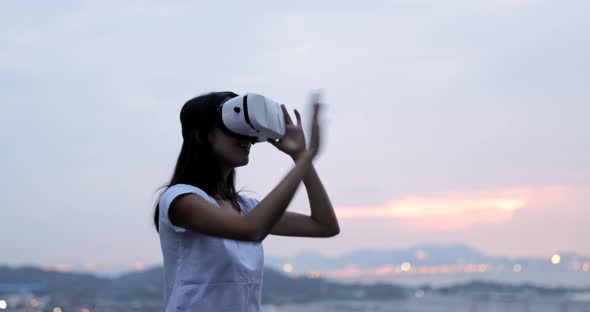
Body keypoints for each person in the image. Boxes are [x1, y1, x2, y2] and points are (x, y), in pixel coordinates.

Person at [153, 91, 340, 311]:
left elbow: (324, 225)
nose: (247, 138)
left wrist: (300, 157)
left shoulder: (244, 207)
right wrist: (308, 156)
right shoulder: (180, 200)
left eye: (249, 131)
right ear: (200, 135)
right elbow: (251, 230)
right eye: (233, 128)